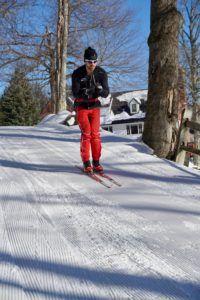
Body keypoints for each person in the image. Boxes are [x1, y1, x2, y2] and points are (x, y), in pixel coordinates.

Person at [72, 47, 109, 173]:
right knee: (86, 133)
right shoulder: (77, 73)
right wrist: (85, 93)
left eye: (94, 62)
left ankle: (97, 162)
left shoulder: (101, 73)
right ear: (84, 61)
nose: (92, 64)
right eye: (89, 62)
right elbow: (75, 93)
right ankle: (87, 162)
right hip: (81, 106)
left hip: (94, 106)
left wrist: (100, 91)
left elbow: (106, 93)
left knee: (95, 135)